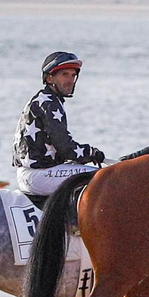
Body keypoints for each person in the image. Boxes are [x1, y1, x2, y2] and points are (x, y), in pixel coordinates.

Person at [13, 51, 106, 199]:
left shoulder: (43, 99)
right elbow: (65, 147)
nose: (70, 80)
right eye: (65, 74)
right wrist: (90, 153)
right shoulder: (50, 103)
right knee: (101, 178)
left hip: (33, 173)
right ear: (50, 78)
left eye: (73, 75)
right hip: (39, 175)